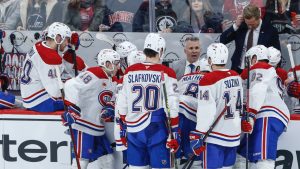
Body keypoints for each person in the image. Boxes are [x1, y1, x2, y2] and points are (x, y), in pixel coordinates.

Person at [116, 33, 180, 168]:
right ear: (161, 50)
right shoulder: (167, 72)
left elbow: (121, 104)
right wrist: (174, 132)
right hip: (157, 129)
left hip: (133, 131)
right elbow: (172, 106)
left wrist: (122, 128)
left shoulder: (129, 71)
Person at [61, 48, 121, 169]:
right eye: (115, 63)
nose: (118, 67)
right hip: (83, 124)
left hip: (97, 126)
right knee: (81, 161)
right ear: (107, 63)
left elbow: (111, 100)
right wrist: (72, 109)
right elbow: (70, 85)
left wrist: (109, 108)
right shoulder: (95, 73)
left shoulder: (113, 80)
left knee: (108, 160)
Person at [189, 43, 243, 168]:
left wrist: (199, 133)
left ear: (210, 59)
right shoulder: (236, 75)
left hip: (215, 137)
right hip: (234, 135)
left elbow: (206, 110)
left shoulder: (209, 79)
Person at [237, 45, 290, 169]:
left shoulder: (261, 67)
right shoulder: (266, 70)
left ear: (255, 58)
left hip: (267, 114)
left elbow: (258, 90)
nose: (246, 64)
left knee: (263, 159)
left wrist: (250, 114)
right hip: (263, 115)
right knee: (245, 155)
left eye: (248, 59)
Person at [20, 22, 71, 112]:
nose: (67, 43)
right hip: (39, 101)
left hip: (29, 93)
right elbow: (55, 92)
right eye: (66, 39)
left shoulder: (41, 45)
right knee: (75, 103)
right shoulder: (48, 57)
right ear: (58, 38)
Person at [220, 4, 280, 74]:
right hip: (238, 69)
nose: (250, 26)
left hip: (259, 71)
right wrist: (235, 26)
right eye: (248, 24)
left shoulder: (270, 31)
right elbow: (223, 40)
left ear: (259, 17)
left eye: (252, 24)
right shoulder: (241, 26)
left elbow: (277, 53)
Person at [177, 58, 211, 168]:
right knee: (194, 152)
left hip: (177, 111)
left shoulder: (183, 77)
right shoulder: (212, 79)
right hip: (193, 115)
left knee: (176, 149)